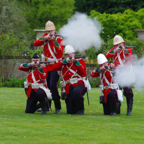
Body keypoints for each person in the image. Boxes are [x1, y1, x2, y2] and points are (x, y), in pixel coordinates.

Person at [33, 21, 64, 114]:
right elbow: (35, 43)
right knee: (46, 86)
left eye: (51, 31)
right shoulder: (45, 37)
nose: (50, 32)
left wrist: (54, 41)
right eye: (48, 31)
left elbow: (60, 51)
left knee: (52, 86)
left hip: (55, 65)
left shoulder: (59, 39)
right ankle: (47, 106)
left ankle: (57, 106)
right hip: (47, 65)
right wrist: (45, 38)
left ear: (54, 30)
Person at [53, 45, 87, 115]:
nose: (70, 55)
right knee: (70, 111)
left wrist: (75, 63)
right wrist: (64, 61)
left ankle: (81, 110)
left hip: (79, 83)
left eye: (71, 54)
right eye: (68, 54)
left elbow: (83, 72)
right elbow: (54, 68)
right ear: (65, 55)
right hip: (68, 86)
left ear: (74, 54)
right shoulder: (63, 62)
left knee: (76, 92)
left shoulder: (79, 61)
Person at [106, 35, 134, 116]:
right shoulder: (114, 49)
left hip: (126, 73)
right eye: (117, 44)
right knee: (116, 91)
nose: (118, 45)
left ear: (123, 43)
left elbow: (129, 59)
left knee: (128, 92)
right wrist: (115, 50)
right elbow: (107, 54)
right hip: (117, 73)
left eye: (120, 44)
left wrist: (124, 50)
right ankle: (116, 109)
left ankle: (129, 110)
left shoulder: (128, 50)